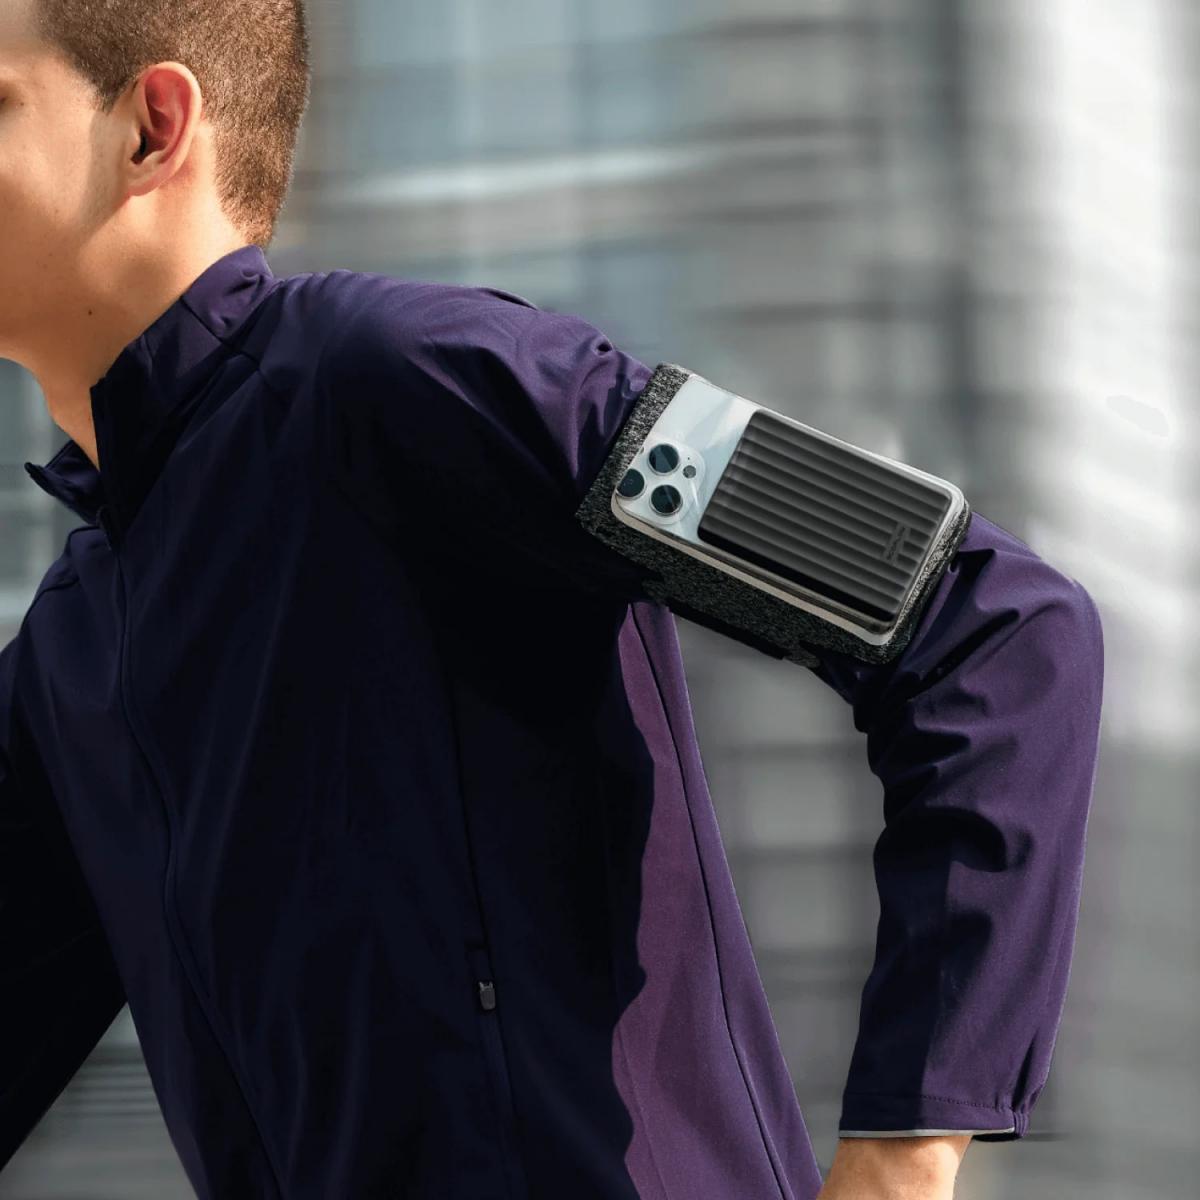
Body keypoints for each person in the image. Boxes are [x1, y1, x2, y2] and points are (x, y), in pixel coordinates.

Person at [0, 2, 1105, 1198]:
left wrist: (897, 1161)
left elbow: (988, 625)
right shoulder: (72, 649)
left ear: (153, 129)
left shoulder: (428, 380)